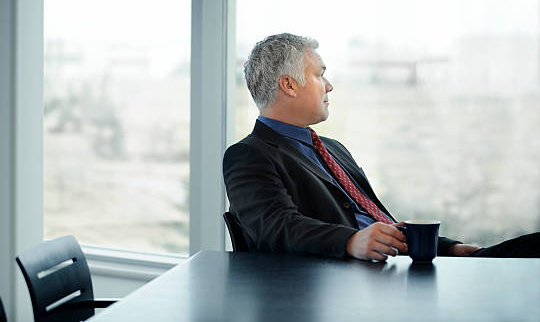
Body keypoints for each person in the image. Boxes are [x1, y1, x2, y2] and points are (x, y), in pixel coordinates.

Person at [222, 33, 539, 261]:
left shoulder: (334, 150)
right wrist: (350, 242)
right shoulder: (249, 155)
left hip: (400, 269)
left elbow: (379, 224)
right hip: (346, 287)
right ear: (289, 85)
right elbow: (276, 226)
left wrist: (447, 248)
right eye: (320, 75)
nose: (329, 86)